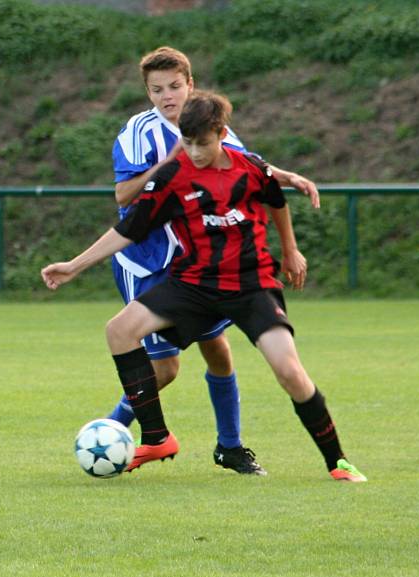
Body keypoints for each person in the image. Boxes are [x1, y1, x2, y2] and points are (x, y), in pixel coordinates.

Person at [42, 90, 366, 482]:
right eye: (187, 142)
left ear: (222, 133)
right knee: (119, 330)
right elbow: (130, 228)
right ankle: (157, 437)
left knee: (289, 371)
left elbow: (277, 201)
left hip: (251, 285)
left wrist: (291, 251)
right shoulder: (171, 177)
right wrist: (74, 266)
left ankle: (338, 462)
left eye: (203, 143)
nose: (194, 152)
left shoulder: (250, 169)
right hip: (192, 285)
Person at [106, 46, 321, 476]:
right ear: (147, 93)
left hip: (198, 259)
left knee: (218, 350)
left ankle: (231, 446)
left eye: (173, 86)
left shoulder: (208, 124)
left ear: (190, 83)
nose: (166, 97)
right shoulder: (137, 132)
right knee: (165, 369)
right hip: (148, 260)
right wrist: (167, 164)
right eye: (156, 90)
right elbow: (123, 197)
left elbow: (249, 164)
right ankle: (110, 432)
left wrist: (288, 176)